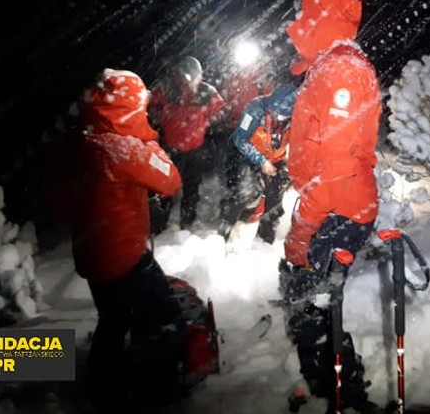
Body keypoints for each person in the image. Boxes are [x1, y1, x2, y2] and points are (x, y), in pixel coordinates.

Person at [44, 69, 215, 412]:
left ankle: (101, 385)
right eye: (139, 108)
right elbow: (170, 179)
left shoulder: (78, 143)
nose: (145, 113)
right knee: (162, 317)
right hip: (125, 257)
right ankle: (156, 391)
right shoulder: (123, 149)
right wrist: (145, 140)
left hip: (92, 259)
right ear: (126, 110)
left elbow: (58, 203)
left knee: (113, 319)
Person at [279, 0, 382, 413]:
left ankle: (345, 393)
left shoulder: (341, 70)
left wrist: (302, 230)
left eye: (302, 2)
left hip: (336, 209)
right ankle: (329, 384)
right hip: (327, 205)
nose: (295, 11)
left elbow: (334, 171)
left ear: (320, 5)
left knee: (313, 306)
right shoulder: (327, 66)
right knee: (307, 299)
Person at [148, 56, 226, 231]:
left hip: (195, 150)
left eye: (195, 76)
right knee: (164, 189)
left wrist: (209, 121)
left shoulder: (207, 91)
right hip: (170, 149)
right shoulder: (168, 89)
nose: (191, 80)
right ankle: (158, 226)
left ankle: (186, 224)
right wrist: (157, 117)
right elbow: (150, 103)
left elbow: (221, 111)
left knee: (191, 189)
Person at [218, 83, 298, 244]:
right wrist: (261, 161)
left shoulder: (296, 114)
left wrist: (290, 163)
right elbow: (240, 139)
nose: (281, 119)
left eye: (285, 116)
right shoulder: (255, 108)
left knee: (275, 199)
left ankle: (265, 241)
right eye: (279, 115)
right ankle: (223, 232)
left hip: (277, 157)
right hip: (249, 155)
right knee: (245, 193)